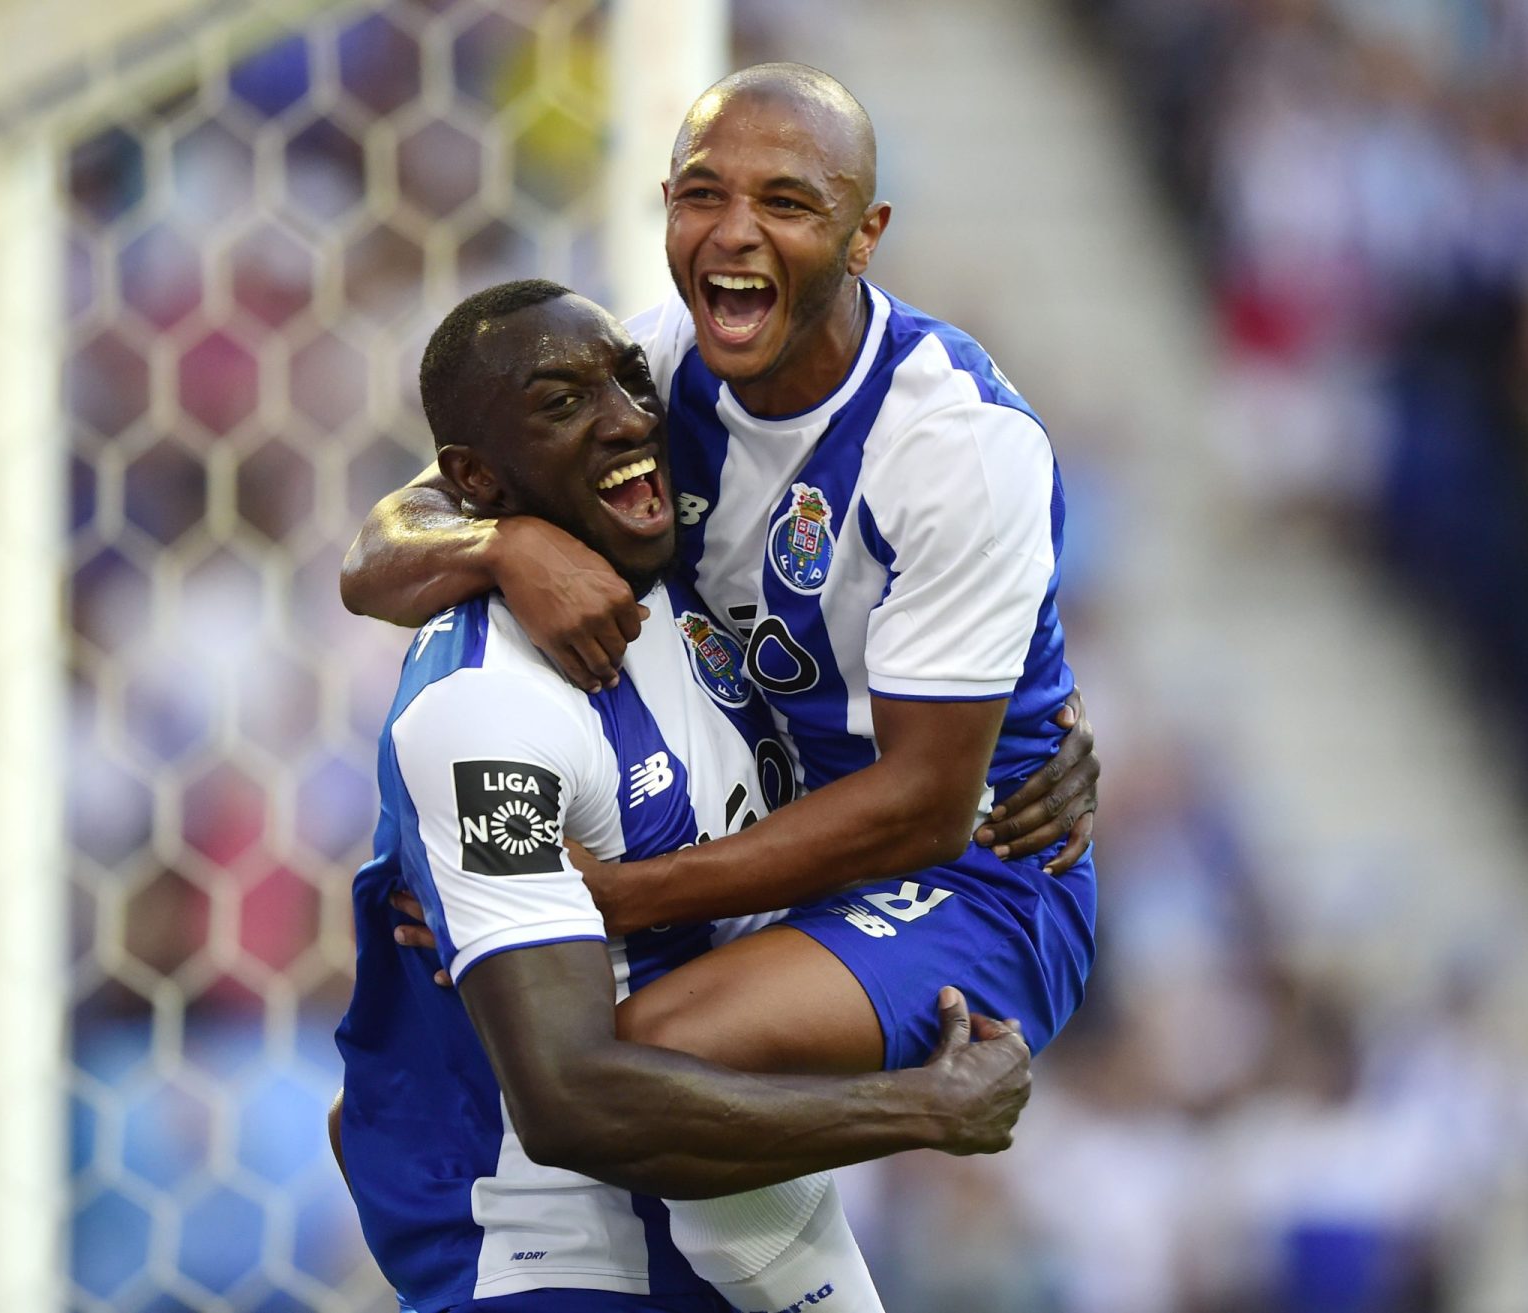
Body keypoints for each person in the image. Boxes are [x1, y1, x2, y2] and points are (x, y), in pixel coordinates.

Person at [348, 64, 1095, 1098]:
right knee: (450, 1063)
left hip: (966, 872)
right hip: (746, 831)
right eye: (705, 194)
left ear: (864, 234)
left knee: (638, 1051)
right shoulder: (651, 367)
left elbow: (927, 805)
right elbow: (380, 553)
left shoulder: (951, 440)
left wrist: (609, 899)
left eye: (786, 202)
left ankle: (932, 1113)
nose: (734, 230)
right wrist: (501, 547)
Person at [336, 279, 1034, 1313]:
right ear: (476, 477)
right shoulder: (484, 712)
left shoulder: (697, 573)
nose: (627, 414)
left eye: (626, 379)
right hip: (554, 1255)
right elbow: (567, 1097)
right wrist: (920, 1107)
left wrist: (1038, 740)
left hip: (732, 1227)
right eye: (562, 401)